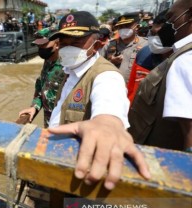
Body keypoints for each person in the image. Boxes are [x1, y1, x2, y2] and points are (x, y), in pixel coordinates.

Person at [46, 11, 150, 190]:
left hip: (81, 172)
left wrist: (108, 123)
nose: (68, 48)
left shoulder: (106, 75)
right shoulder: (69, 69)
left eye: (76, 42)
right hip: (58, 161)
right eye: (63, 43)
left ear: (97, 44)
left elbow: (109, 107)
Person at [128, 0, 192, 152]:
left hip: (164, 164)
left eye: (171, 18)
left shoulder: (186, 59)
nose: (167, 25)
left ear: (190, 15)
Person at [18, 28, 64, 128]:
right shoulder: (47, 61)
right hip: (48, 125)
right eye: (38, 46)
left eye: (43, 45)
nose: (41, 49)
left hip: (64, 128)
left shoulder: (68, 67)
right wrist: (34, 107)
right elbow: (42, 89)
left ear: (57, 44)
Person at [127, 9, 172, 103]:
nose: (154, 38)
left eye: (159, 34)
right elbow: (131, 90)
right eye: (152, 33)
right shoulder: (143, 54)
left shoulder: (185, 59)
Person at [102, 12, 148, 82]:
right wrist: (111, 62)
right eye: (120, 27)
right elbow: (99, 65)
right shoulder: (109, 45)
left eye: (127, 26)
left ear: (137, 27)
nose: (123, 29)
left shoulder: (145, 45)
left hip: (133, 89)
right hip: (111, 85)